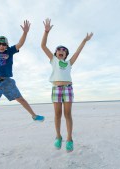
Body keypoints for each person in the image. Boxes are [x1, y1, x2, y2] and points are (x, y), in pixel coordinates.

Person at [41, 18, 93, 152]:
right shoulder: (53, 60)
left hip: (68, 89)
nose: (61, 50)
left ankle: (69, 139)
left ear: (65, 54)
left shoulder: (69, 63)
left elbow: (78, 52)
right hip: (56, 89)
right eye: (59, 49)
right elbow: (43, 46)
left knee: (67, 114)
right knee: (57, 115)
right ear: (56, 53)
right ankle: (58, 137)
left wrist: (84, 41)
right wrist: (46, 32)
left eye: (64, 50)